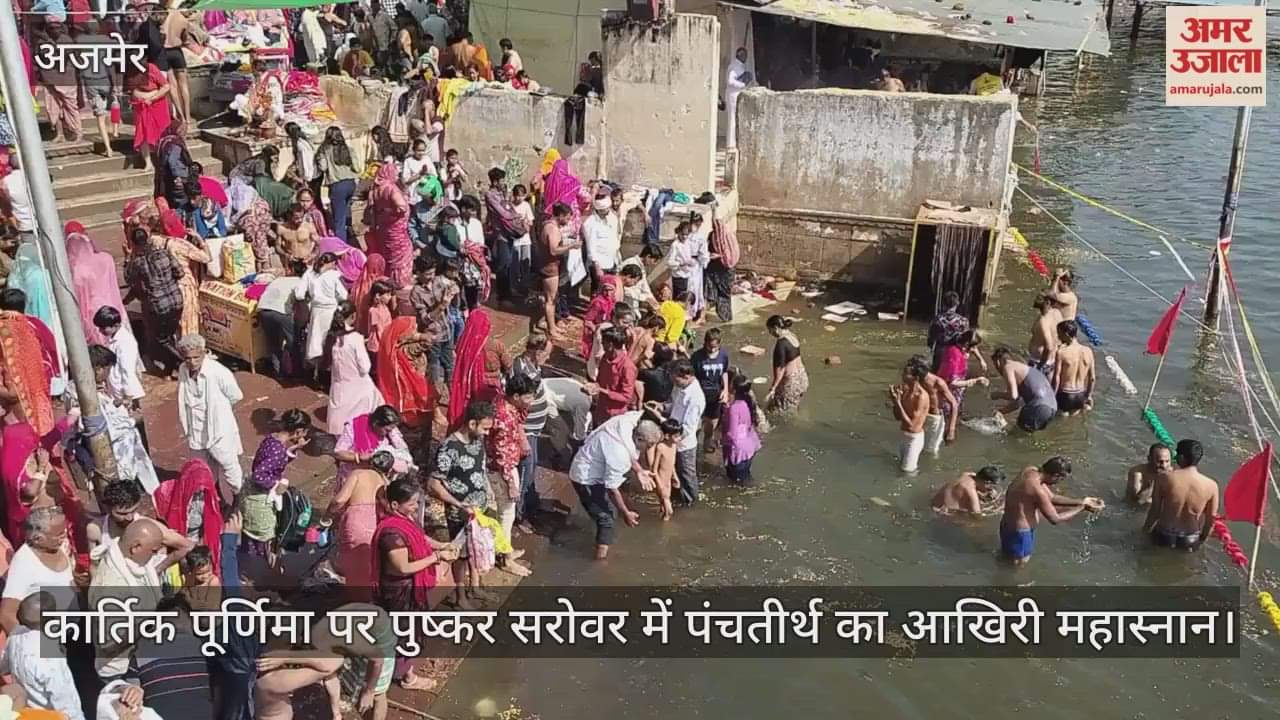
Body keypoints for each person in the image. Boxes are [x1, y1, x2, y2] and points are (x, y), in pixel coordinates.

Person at [89, 517, 194, 680]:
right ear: (136, 547)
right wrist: (145, 624)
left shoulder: (133, 561)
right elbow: (106, 645)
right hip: (120, 672)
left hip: (142, 658)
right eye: (153, 551)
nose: (155, 556)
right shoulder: (110, 587)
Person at [371, 480, 448, 691]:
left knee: (409, 631)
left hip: (410, 589)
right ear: (395, 505)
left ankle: (400, 670)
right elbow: (402, 567)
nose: (416, 507)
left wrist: (441, 545)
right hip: (399, 592)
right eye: (412, 503)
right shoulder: (391, 534)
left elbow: (420, 537)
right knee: (405, 633)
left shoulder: (404, 520)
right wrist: (435, 558)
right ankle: (406, 677)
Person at [428, 401, 495, 608]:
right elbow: (433, 484)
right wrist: (457, 503)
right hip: (460, 512)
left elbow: (481, 470)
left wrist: (489, 491)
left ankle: (475, 586)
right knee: (462, 555)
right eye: (484, 428)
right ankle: (460, 597)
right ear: (472, 424)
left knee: (477, 548)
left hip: (480, 508)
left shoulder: (477, 442)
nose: (486, 433)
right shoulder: (449, 448)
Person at [569, 412, 660, 559]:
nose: (649, 449)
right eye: (649, 445)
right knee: (607, 519)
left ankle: (601, 544)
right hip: (584, 478)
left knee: (609, 512)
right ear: (639, 438)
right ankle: (600, 562)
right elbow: (612, 489)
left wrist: (639, 470)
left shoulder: (626, 423)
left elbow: (641, 413)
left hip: (590, 461)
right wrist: (626, 513)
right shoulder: (619, 455)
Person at [80, 346, 159, 494]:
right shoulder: (89, 397)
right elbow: (106, 429)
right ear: (99, 369)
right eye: (108, 369)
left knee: (144, 477)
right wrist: (133, 421)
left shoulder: (97, 389)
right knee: (123, 488)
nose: (109, 374)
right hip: (116, 451)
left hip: (126, 445)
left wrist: (118, 404)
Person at [176, 334, 244, 505]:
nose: (192, 362)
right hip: (196, 430)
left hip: (219, 429)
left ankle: (238, 500)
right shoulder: (183, 370)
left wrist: (219, 408)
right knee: (203, 469)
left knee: (230, 467)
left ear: (204, 353)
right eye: (188, 358)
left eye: (196, 357)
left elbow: (236, 395)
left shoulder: (218, 371)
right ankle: (215, 499)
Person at [999, 457, 1102, 565]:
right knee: (1019, 566)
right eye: (1061, 479)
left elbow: (1052, 498)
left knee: (1005, 559)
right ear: (1056, 475)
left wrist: (1082, 501)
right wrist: (1083, 508)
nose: (1059, 482)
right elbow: (1055, 519)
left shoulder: (1029, 471)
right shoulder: (1037, 490)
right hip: (1020, 534)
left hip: (1006, 526)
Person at [0, 592, 84, 720]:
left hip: (25, 712)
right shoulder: (50, 658)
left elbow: (3, 667)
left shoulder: (16, 635)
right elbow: (67, 705)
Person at [242, 410, 310, 560]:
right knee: (266, 536)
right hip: (260, 497)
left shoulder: (272, 439)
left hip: (253, 492)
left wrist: (294, 449)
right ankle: (265, 564)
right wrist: (276, 485)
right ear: (298, 431)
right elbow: (258, 475)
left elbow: (276, 462)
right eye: (303, 432)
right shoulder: (278, 450)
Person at [486, 375, 537, 575]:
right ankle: (505, 559)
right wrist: (511, 483)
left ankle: (503, 549)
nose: (531, 401)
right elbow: (502, 455)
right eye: (528, 397)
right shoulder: (505, 418)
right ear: (516, 396)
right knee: (506, 514)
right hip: (500, 470)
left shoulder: (502, 401)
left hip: (499, 465)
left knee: (504, 513)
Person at [0, 508, 77, 635]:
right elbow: (6, 615)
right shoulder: (24, 562)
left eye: (64, 531)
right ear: (37, 539)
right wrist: (27, 644)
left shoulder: (61, 546)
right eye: (58, 534)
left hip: (74, 633)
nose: (64, 536)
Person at [329, 450, 394, 596]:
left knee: (354, 566)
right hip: (375, 525)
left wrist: (328, 515)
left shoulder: (358, 474)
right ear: (389, 470)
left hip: (356, 522)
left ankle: (356, 603)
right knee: (369, 566)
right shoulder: (386, 483)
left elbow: (339, 500)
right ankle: (368, 601)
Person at [1143, 439, 1219, 550]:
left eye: (1177, 454)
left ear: (1182, 457)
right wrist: (1202, 539)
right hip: (1189, 539)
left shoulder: (1164, 478)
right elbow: (1210, 520)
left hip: (1163, 535)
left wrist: (1144, 532)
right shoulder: (1211, 486)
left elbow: (1155, 511)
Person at [510, 333, 551, 529]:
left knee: (531, 469)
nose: (548, 357)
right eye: (546, 354)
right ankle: (519, 516)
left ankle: (529, 506)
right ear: (537, 351)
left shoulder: (533, 365)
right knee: (525, 472)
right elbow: (518, 405)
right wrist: (522, 436)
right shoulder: (521, 370)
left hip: (534, 428)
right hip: (526, 431)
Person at [325, 302, 385, 436]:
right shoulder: (355, 338)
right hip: (359, 388)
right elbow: (365, 368)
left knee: (340, 428)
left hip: (339, 387)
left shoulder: (332, 337)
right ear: (353, 316)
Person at [152, 459, 223, 570]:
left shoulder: (208, 499)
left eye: (202, 489)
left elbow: (210, 530)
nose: (199, 493)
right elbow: (160, 525)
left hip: (195, 543)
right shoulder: (166, 493)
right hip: (173, 541)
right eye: (196, 488)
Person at [65, 223, 129, 347]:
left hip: (92, 312)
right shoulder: (106, 258)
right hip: (112, 304)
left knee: (102, 347)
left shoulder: (78, 271)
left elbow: (79, 299)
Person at [0, 297, 57, 436]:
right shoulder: (31, 324)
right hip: (36, 387)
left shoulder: (5, 327)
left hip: (15, 396)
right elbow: (51, 347)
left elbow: (12, 393)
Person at [447, 309, 510, 429]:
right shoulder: (495, 344)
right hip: (489, 389)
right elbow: (508, 364)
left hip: (467, 388)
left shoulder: (464, 343)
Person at [297, 253, 349, 370]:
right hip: (331, 311)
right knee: (330, 341)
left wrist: (310, 298)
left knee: (315, 341)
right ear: (331, 263)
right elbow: (344, 295)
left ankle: (315, 370)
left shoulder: (309, 273)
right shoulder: (334, 275)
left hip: (316, 312)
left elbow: (299, 294)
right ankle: (328, 370)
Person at [484, 168, 529, 303]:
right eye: (501, 180)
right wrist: (515, 217)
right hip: (499, 233)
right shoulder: (490, 195)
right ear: (495, 181)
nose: (503, 182)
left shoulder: (501, 193)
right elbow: (503, 212)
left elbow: (508, 207)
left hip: (508, 232)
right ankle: (502, 295)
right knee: (503, 264)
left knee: (509, 263)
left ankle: (508, 291)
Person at [256, 260, 307, 378]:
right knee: (293, 342)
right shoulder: (300, 283)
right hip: (281, 312)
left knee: (274, 343)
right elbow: (301, 301)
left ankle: (278, 372)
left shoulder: (279, 279)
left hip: (264, 310)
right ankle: (298, 372)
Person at [536, 202, 579, 336]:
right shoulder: (552, 228)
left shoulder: (548, 225)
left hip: (549, 265)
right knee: (551, 299)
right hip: (550, 267)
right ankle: (552, 330)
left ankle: (551, 325)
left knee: (551, 297)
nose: (568, 221)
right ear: (560, 215)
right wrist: (571, 246)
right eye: (567, 218)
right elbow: (554, 250)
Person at [665, 359, 705, 504]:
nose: (673, 383)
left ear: (686, 377)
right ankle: (677, 500)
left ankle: (692, 504)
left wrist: (673, 439)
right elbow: (672, 404)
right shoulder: (679, 387)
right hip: (671, 436)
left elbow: (689, 427)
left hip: (684, 445)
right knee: (673, 474)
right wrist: (662, 407)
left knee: (687, 477)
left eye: (675, 379)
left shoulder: (696, 397)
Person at [992, 346, 1058, 433]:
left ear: (998, 361)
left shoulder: (1008, 366)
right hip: (1052, 408)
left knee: (1014, 437)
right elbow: (1016, 404)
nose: (997, 370)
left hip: (1039, 407)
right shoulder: (1022, 369)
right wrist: (1000, 412)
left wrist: (997, 394)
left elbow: (1013, 395)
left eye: (995, 366)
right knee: (1022, 435)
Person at [316, 126, 360, 242]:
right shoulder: (349, 149)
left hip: (337, 186)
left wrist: (319, 158)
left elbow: (323, 167)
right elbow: (357, 167)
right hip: (351, 184)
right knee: (346, 211)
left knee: (338, 220)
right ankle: (350, 234)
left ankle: (342, 246)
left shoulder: (325, 150)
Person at [124, 60, 171, 170]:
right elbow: (132, 91)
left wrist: (152, 97)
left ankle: (165, 160)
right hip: (141, 106)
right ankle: (148, 162)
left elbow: (166, 86)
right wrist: (143, 96)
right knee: (143, 134)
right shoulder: (129, 72)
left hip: (157, 104)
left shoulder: (151, 68)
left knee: (162, 132)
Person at [586, 326, 636, 427]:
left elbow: (626, 397)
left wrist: (601, 390)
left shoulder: (627, 367)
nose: (601, 345)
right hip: (600, 409)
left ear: (610, 345)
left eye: (603, 342)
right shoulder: (605, 358)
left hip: (613, 416)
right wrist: (593, 387)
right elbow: (599, 380)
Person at [909, 355, 960, 454]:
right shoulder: (913, 379)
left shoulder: (937, 382)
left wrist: (951, 429)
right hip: (917, 415)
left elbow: (953, 404)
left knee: (931, 450)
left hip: (933, 418)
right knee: (915, 447)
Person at [691, 329, 730, 452]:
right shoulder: (697, 357)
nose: (712, 349)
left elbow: (724, 372)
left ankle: (707, 442)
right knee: (696, 423)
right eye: (710, 346)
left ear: (719, 344)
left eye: (715, 347)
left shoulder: (723, 355)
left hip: (716, 394)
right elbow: (691, 377)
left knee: (712, 422)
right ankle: (693, 445)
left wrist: (726, 390)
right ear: (705, 343)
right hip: (700, 394)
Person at [721, 373, 762, 486]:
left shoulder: (734, 408)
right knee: (745, 477)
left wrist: (721, 441)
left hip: (739, 451)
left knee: (736, 483)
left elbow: (732, 435)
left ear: (732, 388)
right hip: (750, 446)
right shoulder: (747, 402)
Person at [891, 362, 930, 474]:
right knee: (898, 467)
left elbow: (912, 426)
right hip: (902, 434)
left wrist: (898, 402)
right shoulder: (905, 391)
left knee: (908, 472)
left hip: (914, 439)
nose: (902, 375)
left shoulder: (921, 397)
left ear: (916, 378)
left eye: (906, 373)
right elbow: (897, 417)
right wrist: (895, 401)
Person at [765, 315, 808, 415]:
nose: (770, 333)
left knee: (772, 410)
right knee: (793, 406)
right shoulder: (792, 336)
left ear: (776, 328)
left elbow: (780, 370)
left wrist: (772, 389)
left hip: (791, 384)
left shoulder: (780, 344)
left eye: (770, 330)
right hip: (802, 379)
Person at [1051, 319, 1096, 416]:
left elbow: (1056, 378)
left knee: (1062, 421)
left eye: (1059, 334)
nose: (1058, 337)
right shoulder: (1088, 351)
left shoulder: (1061, 353)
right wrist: (1088, 396)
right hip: (1080, 394)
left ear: (1066, 334)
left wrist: (1052, 396)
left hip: (1065, 394)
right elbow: (1092, 378)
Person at [582, 196, 620, 291]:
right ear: (599, 210)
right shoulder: (590, 223)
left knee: (609, 289)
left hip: (611, 261)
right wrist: (597, 266)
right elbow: (590, 246)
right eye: (604, 210)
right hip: (599, 263)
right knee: (598, 289)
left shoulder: (613, 218)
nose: (607, 212)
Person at [931, 466, 1005, 514]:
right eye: (992, 486)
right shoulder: (971, 493)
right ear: (987, 483)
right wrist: (996, 510)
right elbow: (977, 516)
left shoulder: (967, 475)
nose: (992, 489)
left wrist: (983, 495)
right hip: (943, 515)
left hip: (934, 504)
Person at [927, 291, 969, 372]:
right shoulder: (964, 321)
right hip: (956, 354)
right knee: (956, 379)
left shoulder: (936, 320)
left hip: (941, 353)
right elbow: (966, 341)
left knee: (937, 378)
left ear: (943, 304)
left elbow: (930, 341)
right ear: (957, 303)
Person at [725, 46, 752, 148]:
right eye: (744, 55)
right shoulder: (734, 66)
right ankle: (731, 144)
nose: (746, 57)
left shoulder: (740, 66)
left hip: (737, 94)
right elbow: (730, 81)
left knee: (736, 119)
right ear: (739, 55)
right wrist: (742, 85)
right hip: (733, 95)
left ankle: (734, 142)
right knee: (732, 119)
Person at [1027, 293, 1061, 374]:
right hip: (1052, 360)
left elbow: (1049, 347)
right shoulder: (1056, 313)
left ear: (1047, 302)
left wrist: (1040, 365)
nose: (1037, 298)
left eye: (1040, 297)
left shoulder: (1043, 321)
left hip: (1039, 361)